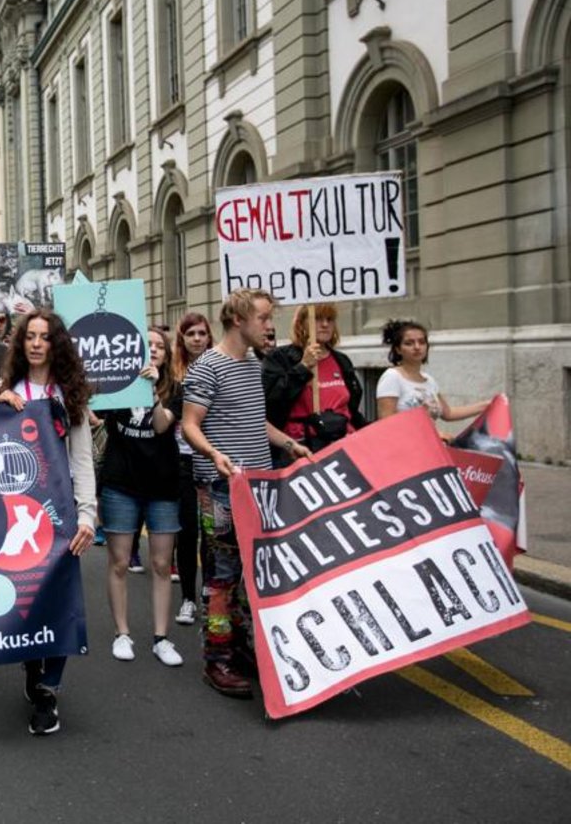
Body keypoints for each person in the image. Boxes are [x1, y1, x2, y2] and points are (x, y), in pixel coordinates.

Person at [180, 289, 311, 699]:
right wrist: (215, 454)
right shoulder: (207, 368)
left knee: (248, 574)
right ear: (238, 320)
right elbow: (190, 425)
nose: (270, 326)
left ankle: (236, 648)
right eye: (263, 318)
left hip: (258, 485)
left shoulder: (253, 364)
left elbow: (256, 423)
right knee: (221, 576)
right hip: (221, 487)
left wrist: (289, 444)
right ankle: (216, 659)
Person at [0, 309, 97, 735]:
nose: (36, 343)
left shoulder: (71, 394)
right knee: (26, 599)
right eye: (29, 336)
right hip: (15, 513)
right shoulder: (7, 388)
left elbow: (82, 458)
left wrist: (87, 513)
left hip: (60, 514)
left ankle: (49, 691)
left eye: (44, 337)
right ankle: (33, 664)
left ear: (56, 344)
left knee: (61, 599)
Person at [95, 326, 185, 668]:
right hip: (121, 483)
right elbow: (92, 412)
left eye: (159, 346)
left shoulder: (176, 387)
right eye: (147, 345)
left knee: (162, 564)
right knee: (118, 562)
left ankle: (162, 638)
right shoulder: (117, 383)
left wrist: (153, 390)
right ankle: (122, 633)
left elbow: (162, 426)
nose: (154, 350)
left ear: (166, 354)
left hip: (162, 485)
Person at [262, 304, 366, 453]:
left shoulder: (341, 360)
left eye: (329, 319)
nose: (325, 324)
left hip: (343, 444)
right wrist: (303, 367)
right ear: (301, 323)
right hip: (302, 447)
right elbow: (273, 401)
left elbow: (352, 409)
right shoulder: (280, 358)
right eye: (317, 319)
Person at [170, 313, 213, 628]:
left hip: (212, 460)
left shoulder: (219, 367)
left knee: (213, 533)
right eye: (191, 334)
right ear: (182, 339)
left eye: (202, 333)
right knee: (187, 533)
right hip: (182, 461)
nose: (197, 339)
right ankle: (188, 598)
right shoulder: (173, 375)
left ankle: (212, 591)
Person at [376, 319, 489, 426]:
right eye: (409, 343)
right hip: (406, 444)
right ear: (398, 349)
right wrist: (435, 435)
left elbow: (448, 413)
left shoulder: (429, 380)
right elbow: (387, 422)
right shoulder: (392, 377)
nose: (417, 347)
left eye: (421, 342)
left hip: (429, 444)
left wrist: (487, 405)